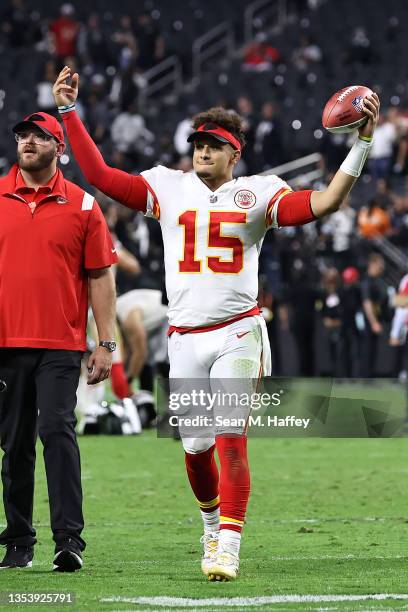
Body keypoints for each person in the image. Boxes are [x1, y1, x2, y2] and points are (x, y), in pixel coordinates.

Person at [53, 66, 379, 581]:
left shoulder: (259, 192)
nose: (201, 152)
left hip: (237, 330)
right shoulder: (167, 186)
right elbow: (99, 176)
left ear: (234, 153)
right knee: (196, 448)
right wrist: (69, 112)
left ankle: (228, 543)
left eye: (213, 145)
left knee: (231, 436)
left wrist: (360, 144)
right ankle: (210, 521)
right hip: (185, 337)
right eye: (197, 144)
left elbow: (325, 202)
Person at [0, 112, 117, 571]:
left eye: (39, 136)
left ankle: (69, 541)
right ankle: (19, 541)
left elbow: (101, 276)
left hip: (61, 343)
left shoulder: (84, 206)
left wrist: (105, 343)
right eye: (22, 135)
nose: (28, 142)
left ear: (59, 147)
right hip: (6, 342)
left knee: (56, 431)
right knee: (14, 442)